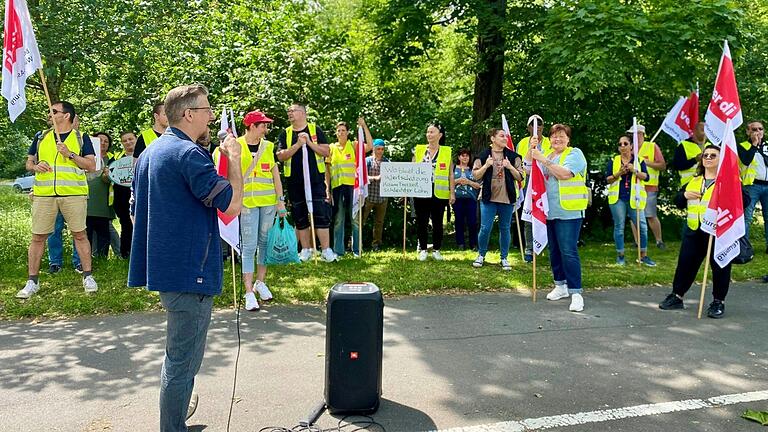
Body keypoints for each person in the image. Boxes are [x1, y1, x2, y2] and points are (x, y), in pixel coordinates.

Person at [129, 84, 243, 432]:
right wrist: (235, 161)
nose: (211, 116)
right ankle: (172, 427)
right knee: (181, 362)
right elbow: (232, 205)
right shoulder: (187, 154)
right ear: (189, 114)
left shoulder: (153, 151)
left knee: (182, 359)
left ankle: (175, 418)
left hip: (169, 268)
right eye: (207, 110)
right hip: (189, 271)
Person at [17, 101, 98, 299]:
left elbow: (91, 165)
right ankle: (32, 281)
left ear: (66, 115)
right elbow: (29, 162)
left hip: (73, 194)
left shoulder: (81, 137)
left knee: (80, 235)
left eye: (53, 111)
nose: (49, 114)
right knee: (37, 237)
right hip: (44, 195)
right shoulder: (41, 136)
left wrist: (69, 154)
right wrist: (35, 167)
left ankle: (88, 277)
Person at [659, 145, 748, 318]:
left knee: (720, 267)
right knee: (685, 265)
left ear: (720, 160)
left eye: (713, 155)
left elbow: (744, 200)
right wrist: (684, 196)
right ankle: (677, 296)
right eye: (705, 155)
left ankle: (718, 302)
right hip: (694, 231)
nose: (708, 158)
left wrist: (729, 193)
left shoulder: (729, 181)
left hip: (718, 232)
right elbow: (677, 200)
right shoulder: (695, 180)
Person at [215, 110, 285, 311]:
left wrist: (280, 201)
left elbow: (275, 175)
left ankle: (260, 282)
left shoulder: (268, 146)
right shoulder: (236, 145)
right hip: (246, 204)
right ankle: (248, 291)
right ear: (252, 126)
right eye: (263, 125)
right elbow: (222, 167)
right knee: (249, 246)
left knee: (264, 243)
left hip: (268, 203)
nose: (266, 128)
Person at [527, 124, 588, 312]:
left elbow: (564, 174)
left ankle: (576, 292)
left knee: (568, 250)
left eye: (561, 136)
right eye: (554, 136)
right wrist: (532, 150)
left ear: (568, 139)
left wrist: (543, 159)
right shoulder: (548, 155)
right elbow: (529, 170)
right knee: (554, 250)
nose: (557, 139)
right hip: (549, 211)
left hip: (569, 211)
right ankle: (560, 285)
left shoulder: (574, 154)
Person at [276, 103, 337, 262]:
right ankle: (306, 250)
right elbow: (280, 156)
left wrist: (309, 143)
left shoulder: (315, 130)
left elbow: (326, 151)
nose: (289, 113)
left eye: (293, 110)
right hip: (295, 182)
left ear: (302, 113)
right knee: (300, 215)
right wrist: (297, 145)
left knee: (320, 214)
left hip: (316, 180)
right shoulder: (286, 133)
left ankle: (326, 250)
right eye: (288, 111)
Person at [471, 130, 523, 270]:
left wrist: (510, 167)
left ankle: (504, 258)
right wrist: (486, 165)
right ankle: (481, 255)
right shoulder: (482, 155)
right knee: (485, 227)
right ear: (493, 138)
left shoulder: (514, 157)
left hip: (507, 197)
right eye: (501, 136)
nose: (505, 138)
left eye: (505, 136)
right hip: (488, 197)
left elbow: (520, 177)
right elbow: (475, 176)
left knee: (505, 228)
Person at [605, 134, 655, 266]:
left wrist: (634, 170)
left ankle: (643, 255)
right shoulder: (614, 160)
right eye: (620, 144)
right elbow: (608, 179)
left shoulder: (639, 161)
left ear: (631, 146)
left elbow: (646, 177)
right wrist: (619, 173)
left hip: (635, 198)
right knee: (619, 227)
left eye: (625, 144)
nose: (622, 146)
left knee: (642, 227)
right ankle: (620, 256)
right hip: (618, 198)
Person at [326, 118, 372, 257]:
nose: (341, 133)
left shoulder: (354, 145)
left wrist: (364, 126)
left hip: (353, 187)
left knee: (355, 219)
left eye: (343, 130)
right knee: (339, 220)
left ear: (348, 133)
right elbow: (327, 171)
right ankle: (338, 251)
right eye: (338, 131)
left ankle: (357, 250)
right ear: (336, 133)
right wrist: (327, 189)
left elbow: (370, 145)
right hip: (338, 187)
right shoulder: (331, 148)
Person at [413, 122, 455, 261]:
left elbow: (450, 174)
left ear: (440, 135)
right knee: (422, 221)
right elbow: (411, 169)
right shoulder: (418, 150)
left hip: (439, 192)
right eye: (428, 132)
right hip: (421, 190)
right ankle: (423, 249)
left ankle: (437, 249)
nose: (429, 134)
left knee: (438, 222)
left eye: (432, 132)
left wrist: (452, 193)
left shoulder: (446, 151)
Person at [517, 115, 551, 263]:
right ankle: (529, 248)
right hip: (529, 183)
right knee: (529, 216)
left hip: (547, 183)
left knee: (548, 215)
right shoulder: (523, 142)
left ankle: (547, 245)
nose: (536, 127)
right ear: (528, 127)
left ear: (543, 126)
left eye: (540, 124)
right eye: (532, 124)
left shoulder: (550, 142)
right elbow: (519, 163)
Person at [628, 124, 667, 249]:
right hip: (634, 186)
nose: (634, 136)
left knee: (650, 215)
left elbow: (662, 165)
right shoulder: (630, 148)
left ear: (641, 134)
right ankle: (637, 241)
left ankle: (659, 240)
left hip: (649, 185)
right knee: (634, 214)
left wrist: (646, 162)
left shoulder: (652, 146)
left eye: (636, 134)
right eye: (632, 134)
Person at [738, 121, 768, 254]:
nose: (757, 132)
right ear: (748, 132)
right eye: (754, 129)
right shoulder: (743, 146)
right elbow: (745, 160)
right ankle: (744, 246)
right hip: (752, 186)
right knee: (747, 217)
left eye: (760, 129)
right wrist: (754, 144)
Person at [87, 132, 116, 257]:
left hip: (104, 204)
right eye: (100, 140)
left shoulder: (113, 160)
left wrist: (107, 176)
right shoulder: (85, 157)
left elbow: (117, 179)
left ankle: (102, 258)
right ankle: (86, 259)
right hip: (86, 202)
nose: (103, 143)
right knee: (86, 233)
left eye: (106, 141)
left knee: (104, 233)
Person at [110, 131, 136, 258]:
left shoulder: (145, 155)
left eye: (130, 139)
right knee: (126, 225)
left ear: (136, 139)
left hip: (139, 196)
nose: (128, 142)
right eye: (125, 140)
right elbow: (107, 178)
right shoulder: (116, 159)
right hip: (121, 199)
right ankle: (125, 253)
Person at [363, 139, 390, 251]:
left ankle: (376, 244)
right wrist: (374, 178)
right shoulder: (367, 161)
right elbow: (361, 177)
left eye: (382, 149)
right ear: (373, 148)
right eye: (378, 148)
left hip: (382, 198)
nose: (380, 151)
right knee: (361, 220)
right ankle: (356, 243)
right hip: (368, 197)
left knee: (379, 222)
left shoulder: (387, 162)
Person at [453, 148, 480, 251]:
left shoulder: (473, 169)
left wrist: (469, 182)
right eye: (463, 155)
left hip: (471, 199)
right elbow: (448, 182)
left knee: (472, 222)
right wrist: (458, 181)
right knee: (459, 221)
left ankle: (473, 244)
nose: (465, 158)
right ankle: (460, 243)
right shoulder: (454, 168)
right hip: (457, 198)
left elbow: (479, 185)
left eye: (467, 156)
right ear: (459, 157)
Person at [673, 122, 710, 187]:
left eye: (707, 130)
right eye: (702, 130)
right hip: (689, 184)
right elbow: (677, 165)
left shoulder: (710, 146)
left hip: (707, 184)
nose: (705, 133)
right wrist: (695, 160)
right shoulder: (684, 145)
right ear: (695, 131)